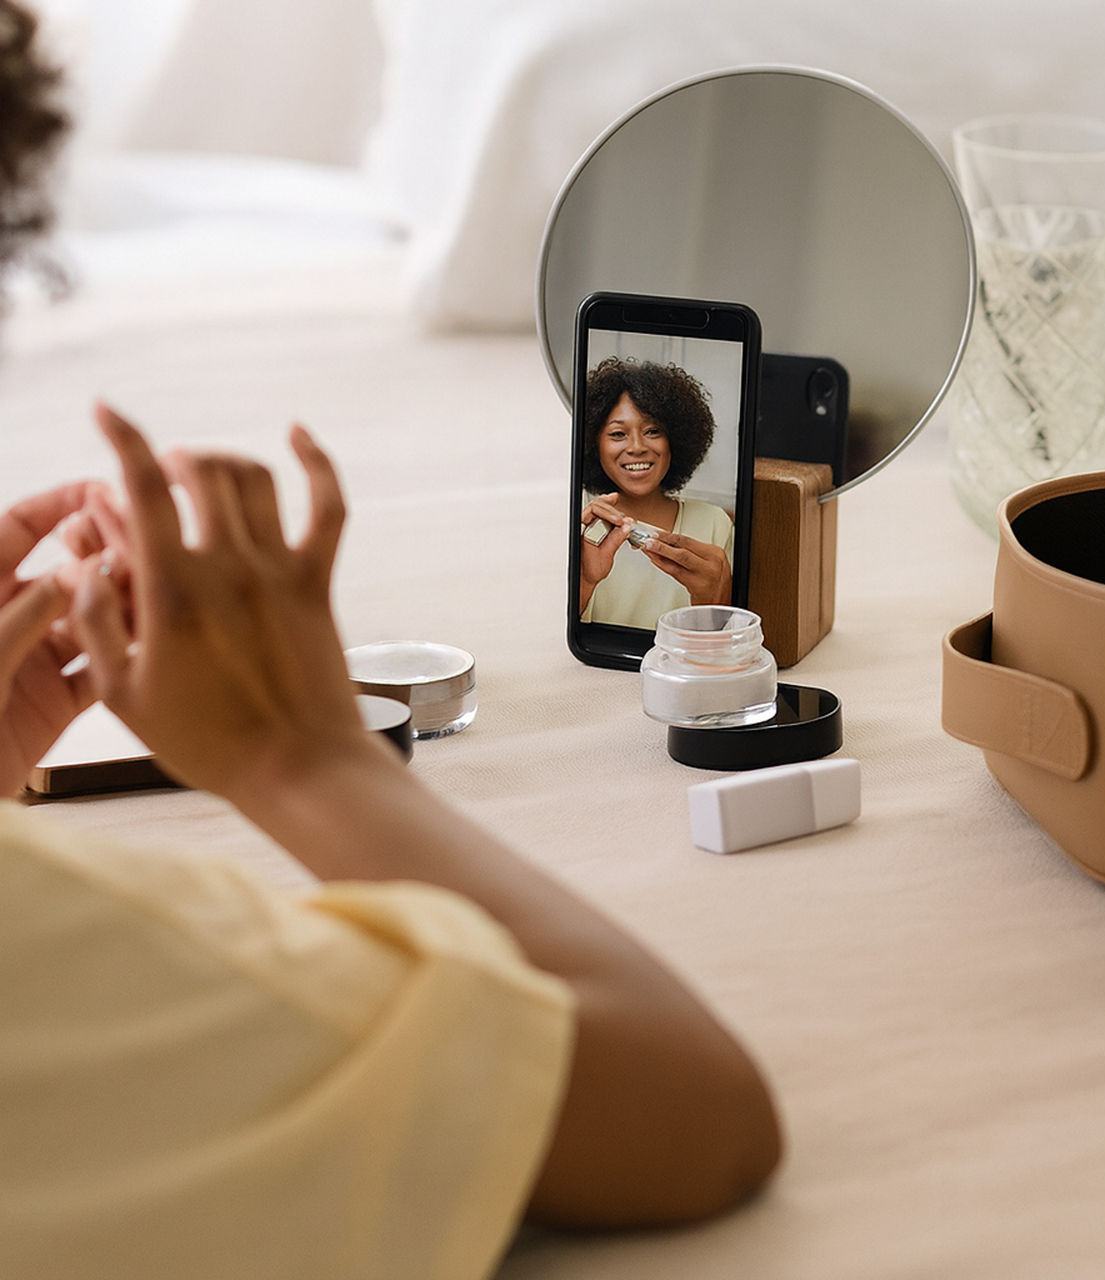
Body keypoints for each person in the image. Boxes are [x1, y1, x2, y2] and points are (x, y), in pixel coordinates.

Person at [0, 5, 782, 1277]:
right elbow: (690, 1108)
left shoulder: (697, 520)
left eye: (651, 436)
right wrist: (303, 752)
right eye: (614, 432)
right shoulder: (61, 954)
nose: (629, 450)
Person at [579, 356, 736, 628]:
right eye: (618, 434)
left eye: (652, 431)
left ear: (675, 438)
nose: (637, 447)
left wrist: (713, 599)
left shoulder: (714, 523)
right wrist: (585, 579)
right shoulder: (579, 515)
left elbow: (724, 638)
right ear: (594, 442)